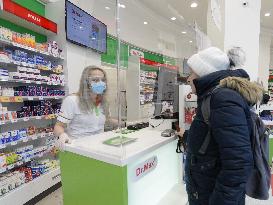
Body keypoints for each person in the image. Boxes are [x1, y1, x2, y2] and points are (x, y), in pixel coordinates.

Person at [182, 47, 263, 205]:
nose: (188, 78)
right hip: (205, 188)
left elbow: (238, 162)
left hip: (213, 194)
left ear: (203, 72)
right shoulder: (214, 96)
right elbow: (214, 139)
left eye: (191, 72)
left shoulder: (222, 99)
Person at [54, 65, 110, 147]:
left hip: (99, 145)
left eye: (103, 80)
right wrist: (62, 135)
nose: (100, 83)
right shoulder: (72, 100)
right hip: (79, 148)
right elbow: (58, 126)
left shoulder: (103, 102)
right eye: (95, 80)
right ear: (86, 82)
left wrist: (127, 123)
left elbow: (107, 119)